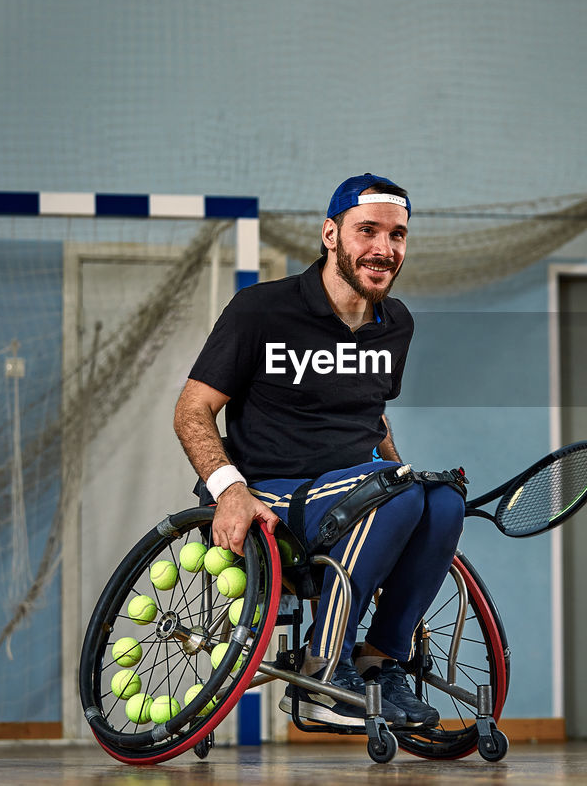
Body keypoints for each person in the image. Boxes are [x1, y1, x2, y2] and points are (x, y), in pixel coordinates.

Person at [172, 173, 465, 729]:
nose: (384, 248)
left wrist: (400, 475)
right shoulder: (261, 310)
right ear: (330, 234)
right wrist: (228, 489)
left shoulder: (396, 323)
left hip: (358, 493)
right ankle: (323, 669)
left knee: (444, 498)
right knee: (399, 493)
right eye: (367, 231)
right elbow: (190, 410)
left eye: (397, 235)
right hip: (273, 492)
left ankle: (379, 663)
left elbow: (372, 414)